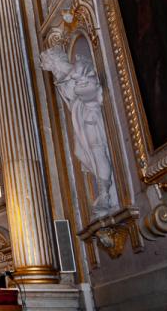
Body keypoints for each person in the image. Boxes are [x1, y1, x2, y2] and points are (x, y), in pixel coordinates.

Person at [39, 46, 117, 216]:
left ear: (55, 62)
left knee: (97, 150)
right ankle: (104, 189)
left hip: (90, 114)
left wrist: (83, 91)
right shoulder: (61, 80)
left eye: (47, 64)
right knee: (81, 153)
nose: (48, 68)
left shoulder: (79, 68)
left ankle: (105, 193)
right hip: (78, 117)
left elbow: (92, 88)